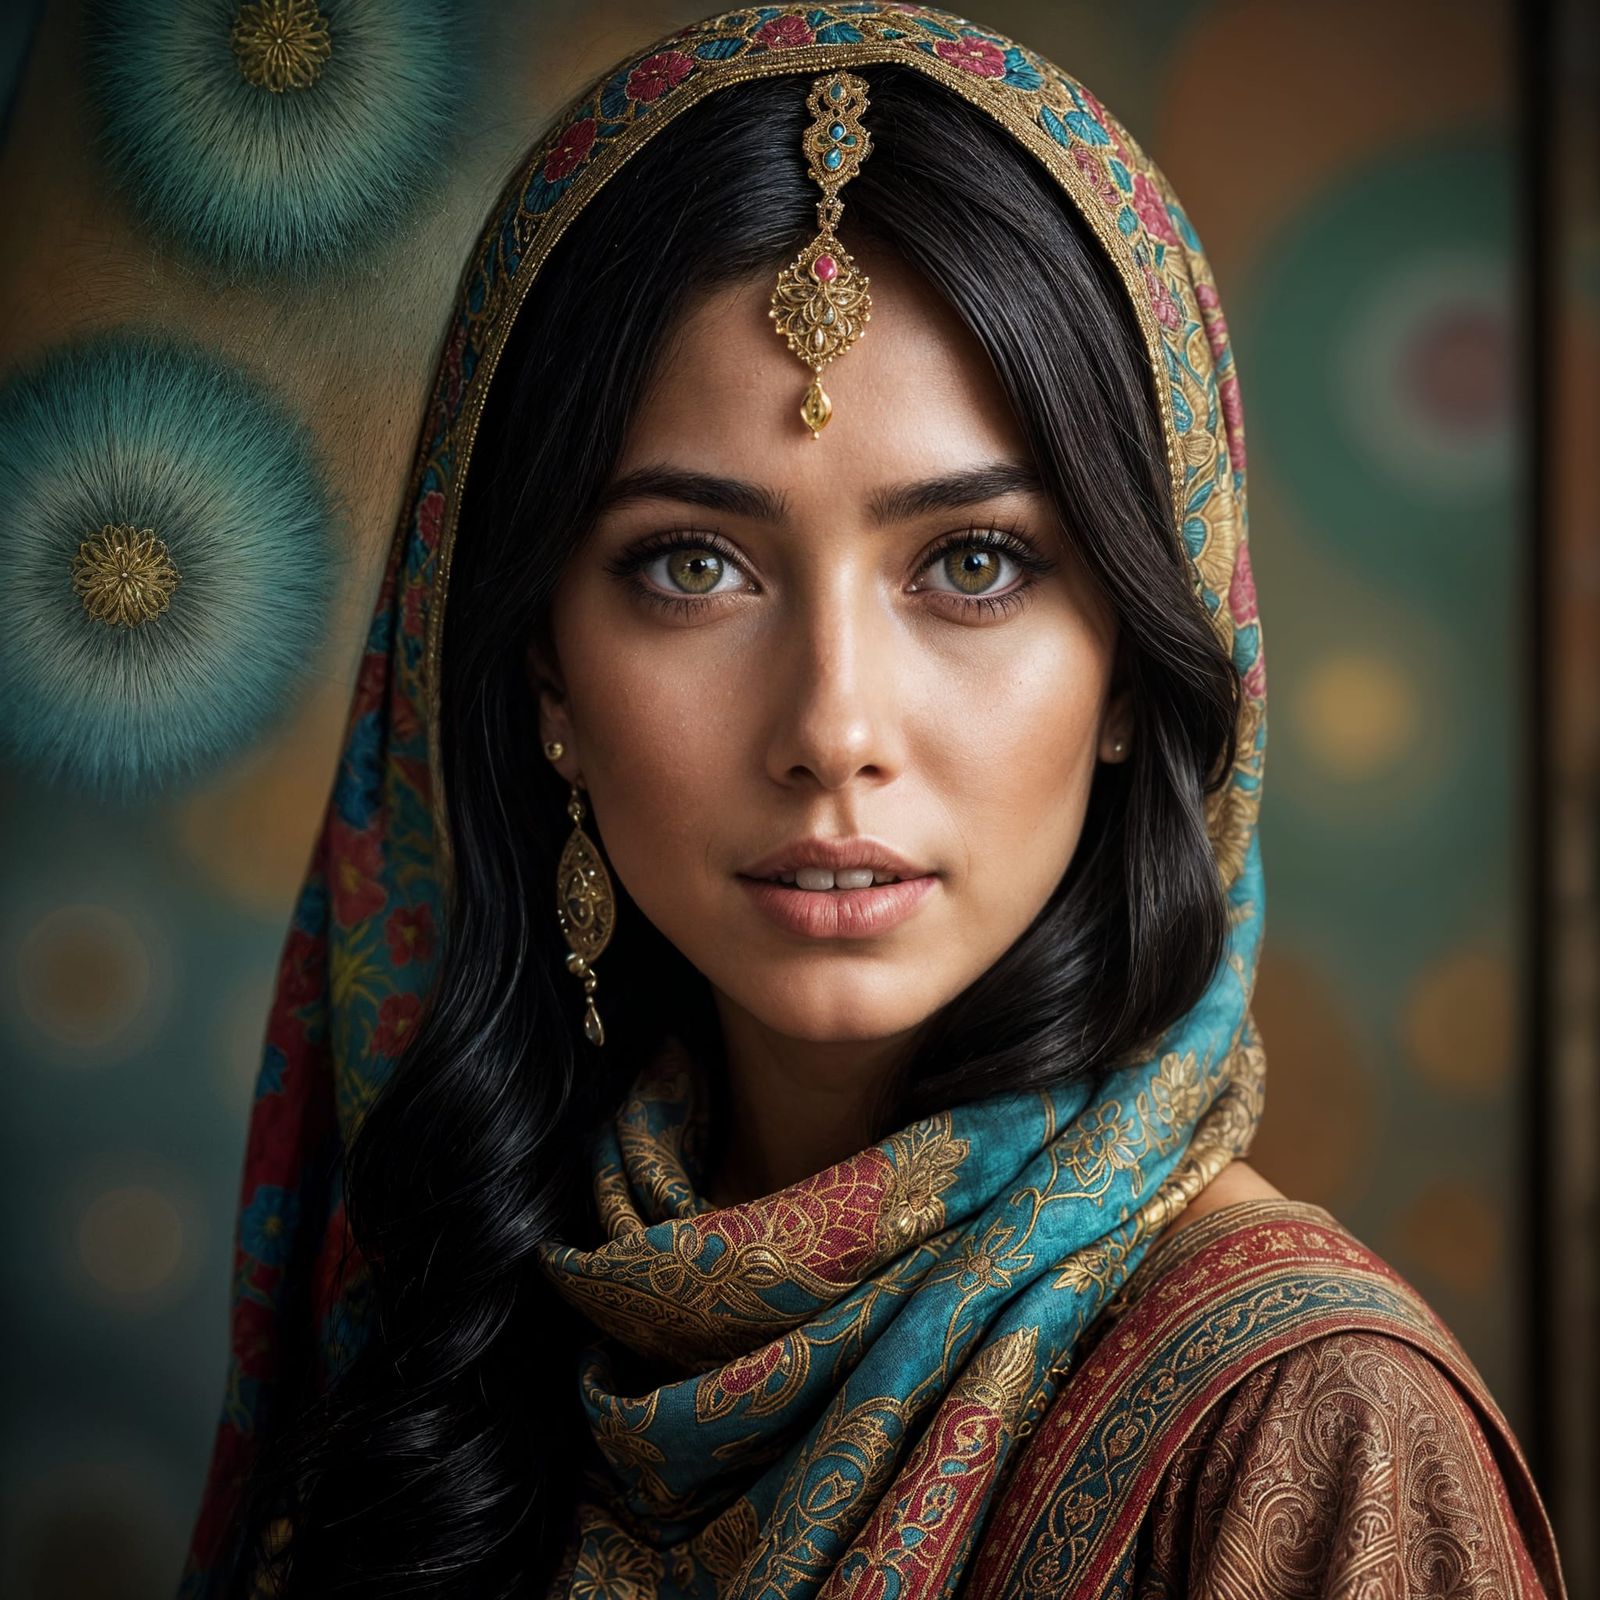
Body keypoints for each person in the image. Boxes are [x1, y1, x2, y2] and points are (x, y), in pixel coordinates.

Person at [180, 6, 1566, 1597]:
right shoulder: (452, 1331)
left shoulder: (1310, 1432)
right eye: (692, 566)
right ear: (545, 676)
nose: (834, 728)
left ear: (1130, 665)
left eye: (974, 565)